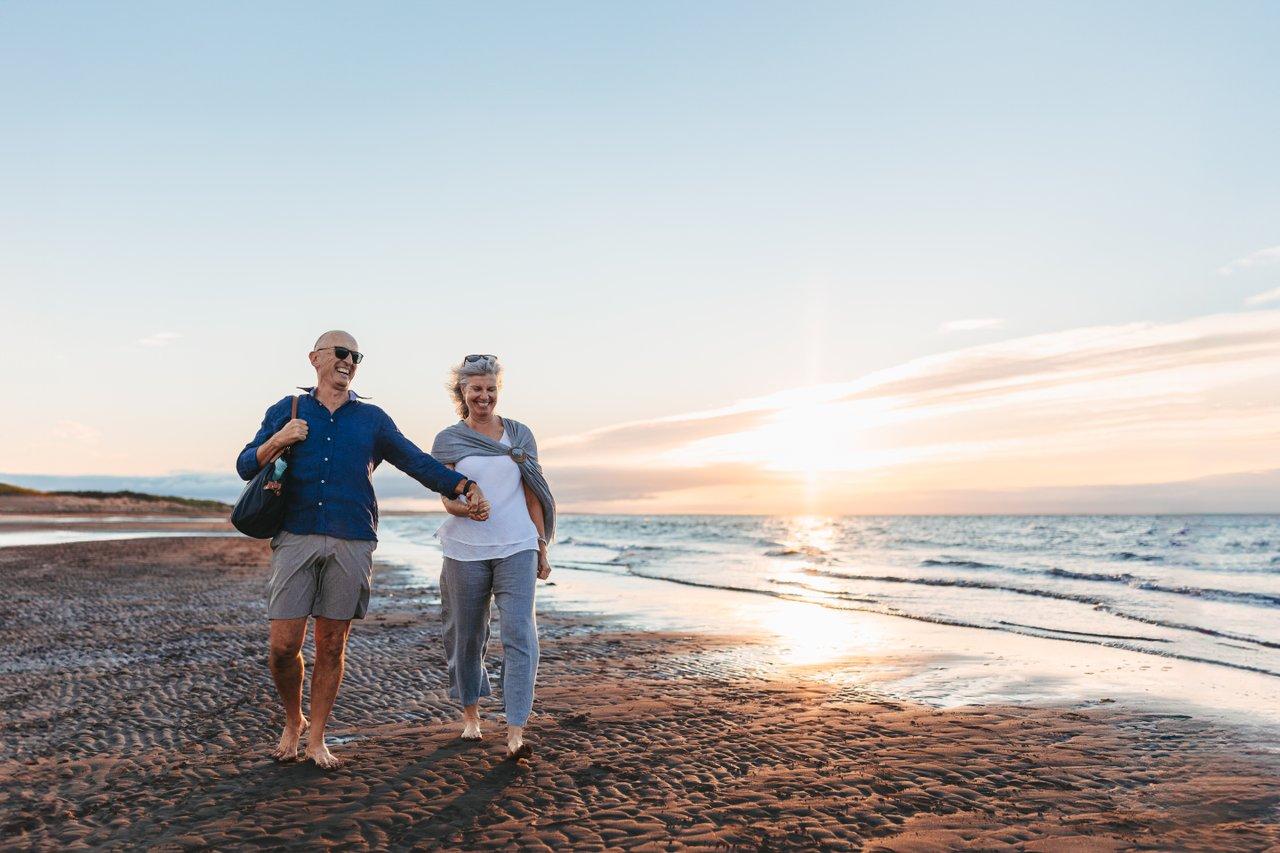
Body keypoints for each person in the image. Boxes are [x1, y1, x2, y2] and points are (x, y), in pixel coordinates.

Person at [235, 331, 488, 769]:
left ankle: (316, 739)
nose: (349, 361)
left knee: (332, 645)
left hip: (353, 538)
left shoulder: (371, 419)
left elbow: (415, 460)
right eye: (341, 352)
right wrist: (281, 438)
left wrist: (461, 485)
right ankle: (292, 720)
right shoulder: (286, 410)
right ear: (315, 358)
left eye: (356, 356)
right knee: (282, 646)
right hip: (295, 535)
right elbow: (244, 464)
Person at [431, 354, 555, 761]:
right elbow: (447, 497)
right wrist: (467, 509)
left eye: (491, 389)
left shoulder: (519, 434)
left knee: (520, 635)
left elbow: (532, 491)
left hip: (517, 545)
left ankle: (517, 729)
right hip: (465, 550)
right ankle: (471, 716)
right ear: (462, 393)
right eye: (476, 389)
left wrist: (541, 544)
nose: (484, 397)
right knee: (467, 636)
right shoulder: (448, 440)